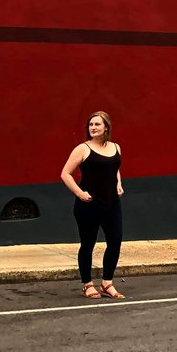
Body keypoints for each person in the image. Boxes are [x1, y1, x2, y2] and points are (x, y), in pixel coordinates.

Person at [60, 111, 125, 299]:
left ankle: (107, 283)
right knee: (88, 244)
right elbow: (65, 173)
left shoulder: (116, 147)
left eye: (97, 124)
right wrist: (80, 193)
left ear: (106, 127)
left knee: (115, 242)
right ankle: (87, 284)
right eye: (91, 125)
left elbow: (114, 169)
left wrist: (118, 184)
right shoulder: (83, 149)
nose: (93, 128)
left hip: (112, 203)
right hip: (88, 205)